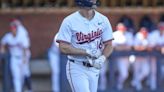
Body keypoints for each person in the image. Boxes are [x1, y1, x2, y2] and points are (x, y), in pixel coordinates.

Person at [56, 0, 114, 92]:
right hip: (77, 66)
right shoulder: (69, 21)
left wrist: (102, 58)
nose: (94, 1)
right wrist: (86, 52)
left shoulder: (103, 19)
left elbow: (109, 45)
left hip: (94, 67)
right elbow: (63, 47)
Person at [0, 22, 29, 92]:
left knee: (22, 76)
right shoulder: (8, 36)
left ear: (16, 29)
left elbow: (25, 48)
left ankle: (22, 89)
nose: (13, 30)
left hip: (22, 58)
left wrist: (25, 58)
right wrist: (2, 50)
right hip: (14, 58)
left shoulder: (21, 36)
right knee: (16, 77)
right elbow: (2, 43)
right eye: (12, 29)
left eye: (14, 29)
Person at [11, 18, 33, 92]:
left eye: (16, 22)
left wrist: (24, 58)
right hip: (20, 56)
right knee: (21, 75)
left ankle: (29, 89)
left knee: (25, 73)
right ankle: (25, 89)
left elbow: (26, 46)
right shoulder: (18, 29)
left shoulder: (22, 30)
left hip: (24, 55)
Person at [112, 23, 133, 90]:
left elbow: (130, 46)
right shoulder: (114, 34)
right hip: (118, 57)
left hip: (127, 57)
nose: (123, 29)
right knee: (124, 74)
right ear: (118, 28)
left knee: (125, 73)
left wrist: (120, 46)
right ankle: (118, 84)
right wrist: (124, 46)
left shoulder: (129, 34)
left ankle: (119, 83)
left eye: (123, 28)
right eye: (121, 28)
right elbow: (114, 47)